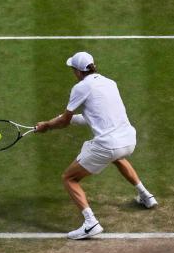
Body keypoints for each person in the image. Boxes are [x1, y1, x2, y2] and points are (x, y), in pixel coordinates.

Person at [35, 51, 157, 240]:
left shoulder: (80, 88)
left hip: (108, 145)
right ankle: (146, 196)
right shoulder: (110, 83)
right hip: (129, 140)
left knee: (69, 178)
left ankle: (90, 223)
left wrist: (47, 126)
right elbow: (96, 116)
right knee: (116, 157)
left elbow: (64, 121)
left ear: (77, 71)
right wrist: (60, 122)